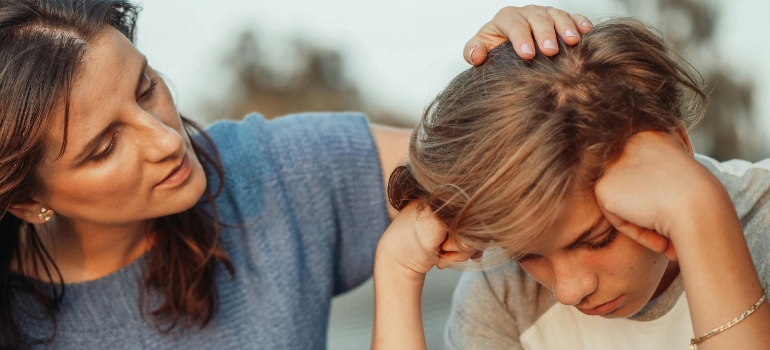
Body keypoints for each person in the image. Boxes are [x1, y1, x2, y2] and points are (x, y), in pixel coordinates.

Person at [0, 0, 593, 348]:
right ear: (27, 200)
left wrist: (519, 78)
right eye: (104, 147)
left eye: (146, 88)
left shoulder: (274, 170)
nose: (165, 138)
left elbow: (503, 158)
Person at [373, 18, 770, 350]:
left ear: (678, 148)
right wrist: (397, 271)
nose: (568, 290)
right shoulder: (505, 295)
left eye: (597, 239)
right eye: (526, 255)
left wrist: (699, 212)